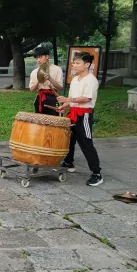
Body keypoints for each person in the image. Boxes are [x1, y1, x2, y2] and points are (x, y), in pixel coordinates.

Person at [57, 51, 103, 187]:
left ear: (87, 64)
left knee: (86, 144)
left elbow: (86, 99)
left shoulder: (91, 80)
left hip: (84, 115)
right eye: (74, 62)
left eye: (77, 63)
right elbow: (73, 100)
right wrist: (64, 106)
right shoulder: (75, 80)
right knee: (69, 140)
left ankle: (97, 174)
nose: (74, 65)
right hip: (73, 113)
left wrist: (68, 100)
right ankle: (68, 163)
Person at [29, 47, 63, 116]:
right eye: (36, 58)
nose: (38, 60)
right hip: (40, 97)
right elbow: (32, 89)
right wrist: (39, 80)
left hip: (54, 98)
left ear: (47, 56)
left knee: (55, 119)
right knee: (39, 119)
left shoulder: (57, 69)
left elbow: (60, 87)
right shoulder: (34, 72)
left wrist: (50, 78)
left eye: (40, 57)